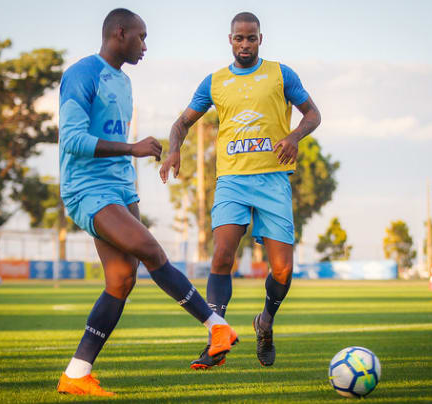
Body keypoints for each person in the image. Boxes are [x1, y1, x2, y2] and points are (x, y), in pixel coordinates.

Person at [56, 8, 238, 396]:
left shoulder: (123, 82)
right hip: (87, 190)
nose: (145, 46)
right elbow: (72, 140)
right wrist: (132, 148)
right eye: (141, 37)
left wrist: (130, 174)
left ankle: (76, 373)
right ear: (118, 33)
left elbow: (113, 140)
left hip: (119, 189)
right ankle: (216, 326)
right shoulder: (81, 74)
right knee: (152, 250)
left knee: (121, 281)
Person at [160, 12, 321, 369]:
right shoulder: (215, 82)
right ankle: (217, 336)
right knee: (221, 257)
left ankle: (265, 321)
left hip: (273, 179)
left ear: (261, 39)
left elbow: (313, 114)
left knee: (283, 271)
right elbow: (181, 122)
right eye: (238, 38)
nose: (244, 44)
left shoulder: (281, 74)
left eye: (251, 38)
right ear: (229, 40)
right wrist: (173, 149)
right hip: (232, 180)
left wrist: (295, 136)